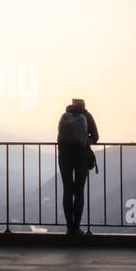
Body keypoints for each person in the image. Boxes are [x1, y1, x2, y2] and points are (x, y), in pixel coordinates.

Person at [56, 98, 99, 235]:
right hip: (81, 157)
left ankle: (69, 228)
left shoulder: (64, 116)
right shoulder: (87, 115)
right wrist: (87, 141)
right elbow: (96, 137)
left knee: (67, 190)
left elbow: (59, 137)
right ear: (83, 105)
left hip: (64, 156)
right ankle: (77, 227)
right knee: (79, 192)